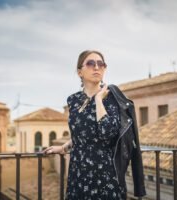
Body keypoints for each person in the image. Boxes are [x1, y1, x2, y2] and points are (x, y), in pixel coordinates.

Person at [42, 50, 145, 199]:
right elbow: (83, 133)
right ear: (79, 72)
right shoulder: (73, 100)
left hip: (105, 175)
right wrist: (64, 147)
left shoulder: (112, 98)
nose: (96, 67)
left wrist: (98, 101)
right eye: (90, 63)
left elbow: (107, 133)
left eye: (100, 64)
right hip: (78, 173)